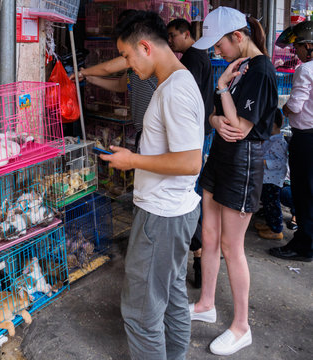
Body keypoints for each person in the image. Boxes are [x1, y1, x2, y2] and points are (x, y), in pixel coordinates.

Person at [100, 10, 204, 359]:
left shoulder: (175, 90)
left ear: (145, 46)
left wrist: (132, 161)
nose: (128, 65)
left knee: (141, 314)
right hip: (173, 213)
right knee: (171, 294)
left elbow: (191, 162)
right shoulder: (174, 82)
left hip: (163, 217)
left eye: (128, 56)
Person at [188, 7, 278, 356]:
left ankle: (242, 326)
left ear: (238, 37)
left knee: (231, 247)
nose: (216, 51)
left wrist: (223, 88)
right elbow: (217, 115)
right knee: (208, 236)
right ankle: (206, 303)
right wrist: (213, 118)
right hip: (219, 160)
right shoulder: (239, 66)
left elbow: (240, 128)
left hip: (243, 164)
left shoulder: (261, 71)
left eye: (220, 44)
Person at [167, 18, 215, 288]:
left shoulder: (194, 60)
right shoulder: (197, 57)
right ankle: (198, 255)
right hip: (199, 134)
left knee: (190, 195)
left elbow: (185, 100)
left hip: (194, 136)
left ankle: (198, 255)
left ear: (187, 34)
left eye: (174, 35)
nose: (171, 40)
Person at [269, 21, 313, 262]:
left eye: (297, 48)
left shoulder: (306, 70)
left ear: (308, 46)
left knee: (303, 193)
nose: (295, 52)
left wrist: (282, 111)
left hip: (306, 140)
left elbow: (295, 106)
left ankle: (304, 246)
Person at [254, 109, 288, 240]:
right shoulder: (270, 139)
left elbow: (281, 163)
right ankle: (270, 225)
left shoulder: (279, 142)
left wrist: (264, 162)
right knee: (267, 205)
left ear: (272, 125)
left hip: (272, 180)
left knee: (272, 205)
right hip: (266, 178)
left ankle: (276, 230)